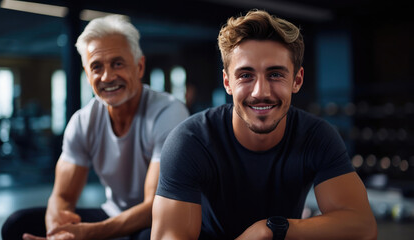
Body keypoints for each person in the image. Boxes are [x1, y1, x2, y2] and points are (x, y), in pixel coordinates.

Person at [151, 9, 377, 240]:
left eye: (276, 74)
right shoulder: (189, 142)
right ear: (228, 82)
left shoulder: (317, 137)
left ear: (296, 80)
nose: (261, 92)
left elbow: (362, 227)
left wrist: (270, 229)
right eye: (246, 76)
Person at [2, 14, 189, 240]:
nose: (107, 77)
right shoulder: (83, 121)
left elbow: (154, 205)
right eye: (96, 67)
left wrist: (89, 233)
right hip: (112, 214)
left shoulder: (168, 113)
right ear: (87, 73)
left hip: (158, 217)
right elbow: (61, 196)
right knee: (18, 226)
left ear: (139, 67)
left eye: (118, 63)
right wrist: (57, 232)